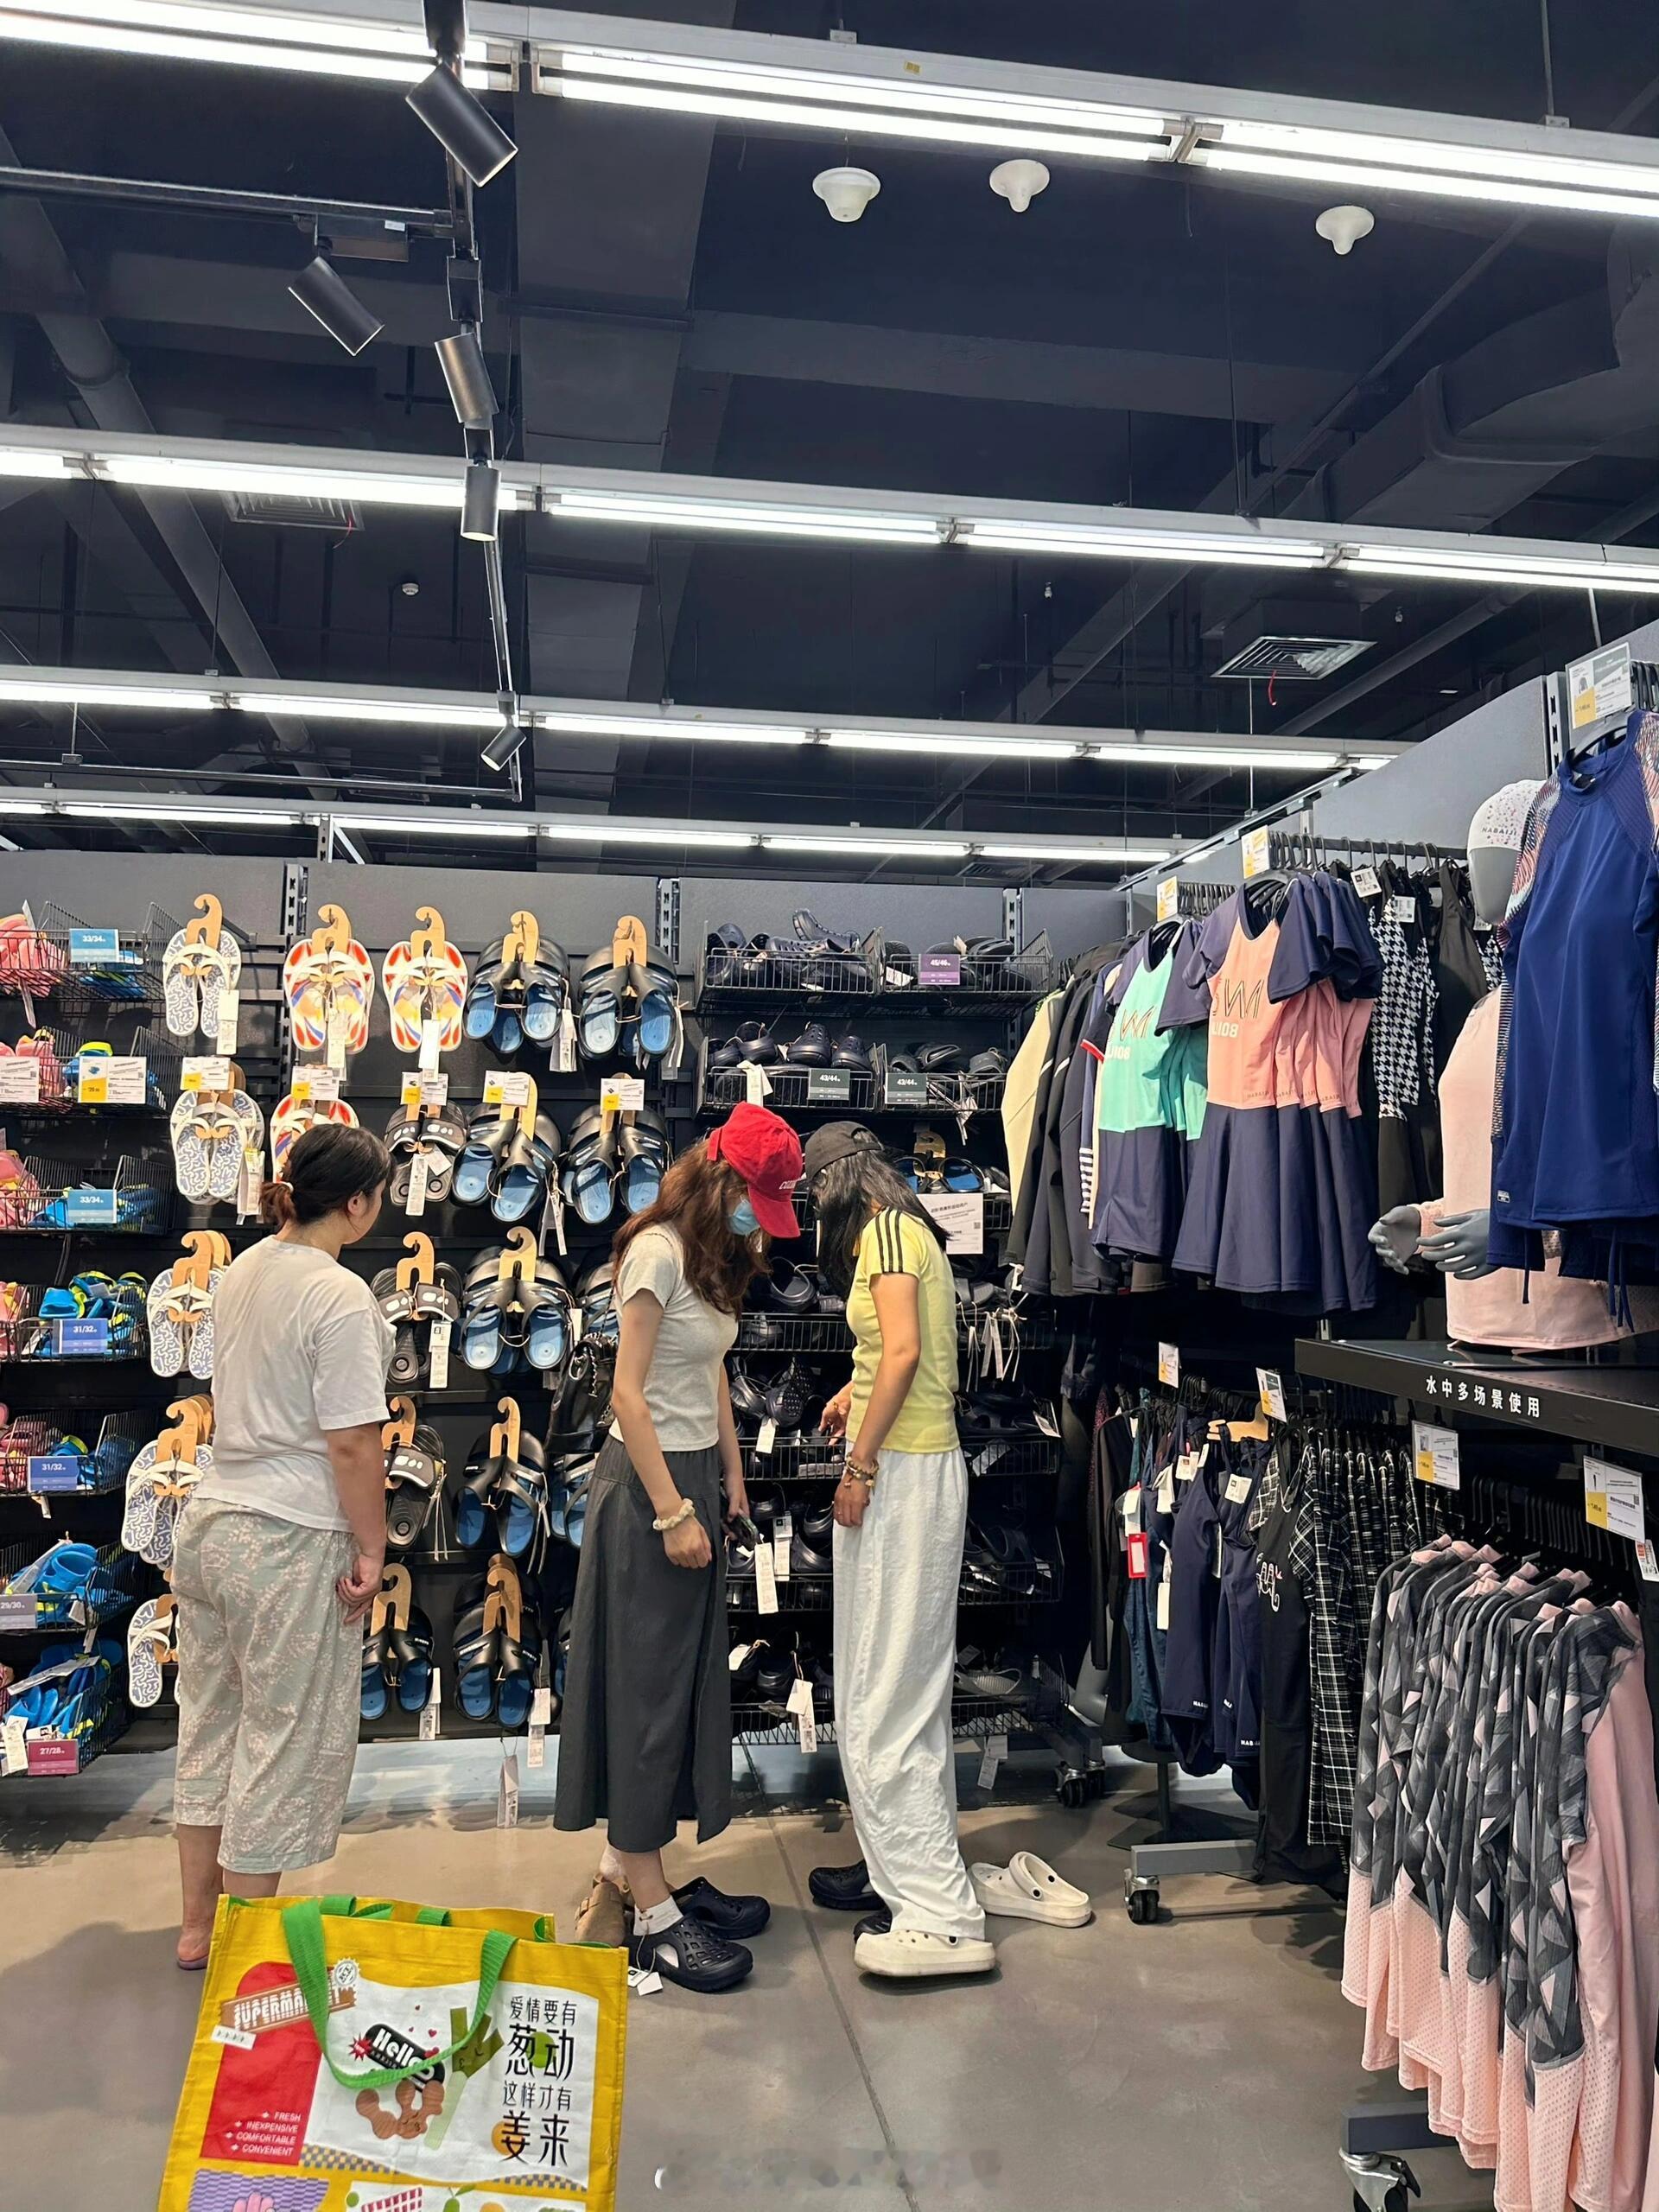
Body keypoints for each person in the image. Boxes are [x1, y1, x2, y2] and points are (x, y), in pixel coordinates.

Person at [555, 1101, 804, 1993]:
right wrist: (671, 1512)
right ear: (723, 1180)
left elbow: (711, 1372)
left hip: (692, 1473)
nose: (757, 1224)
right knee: (646, 1694)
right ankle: (655, 1915)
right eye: (753, 1203)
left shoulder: (707, 1255)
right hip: (647, 1487)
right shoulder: (656, 1252)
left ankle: (626, 1876)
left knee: (676, 1684)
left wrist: (731, 1476)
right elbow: (628, 1395)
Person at [170, 1122, 393, 1969]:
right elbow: (353, 1443)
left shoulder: (242, 1271)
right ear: (358, 1203)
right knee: (278, 1739)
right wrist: (372, 1547)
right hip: (289, 1535)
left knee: (211, 1726)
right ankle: (246, 1948)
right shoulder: (340, 1296)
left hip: (214, 1521)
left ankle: (199, 1928)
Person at [802, 1122, 995, 1980]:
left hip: (904, 1473)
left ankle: (938, 1913)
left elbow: (907, 1351)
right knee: (904, 1687)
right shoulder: (914, 1229)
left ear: (837, 1185)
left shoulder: (882, 1234)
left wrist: (860, 1465)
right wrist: (856, 1388)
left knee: (883, 1697)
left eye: (815, 1195)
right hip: (924, 1462)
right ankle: (901, 1868)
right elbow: (901, 1349)